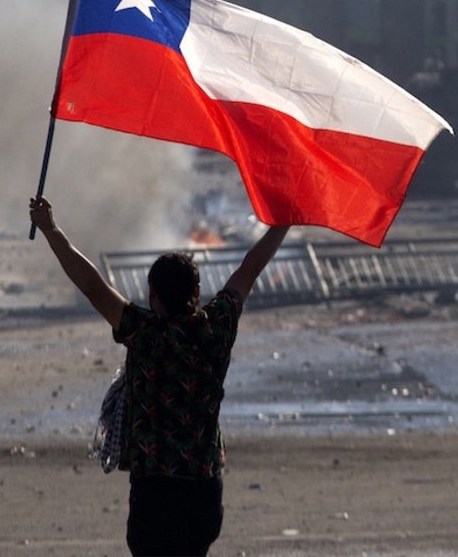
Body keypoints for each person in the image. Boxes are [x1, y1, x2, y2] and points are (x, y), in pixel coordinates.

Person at [29, 195, 290, 556]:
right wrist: (285, 219)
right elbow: (252, 265)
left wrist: (50, 229)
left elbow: (91, 284)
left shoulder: (142, 331)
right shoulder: (217, 327)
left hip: (155, 490)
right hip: (203, 488)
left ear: (152, 294)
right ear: (196, 294)